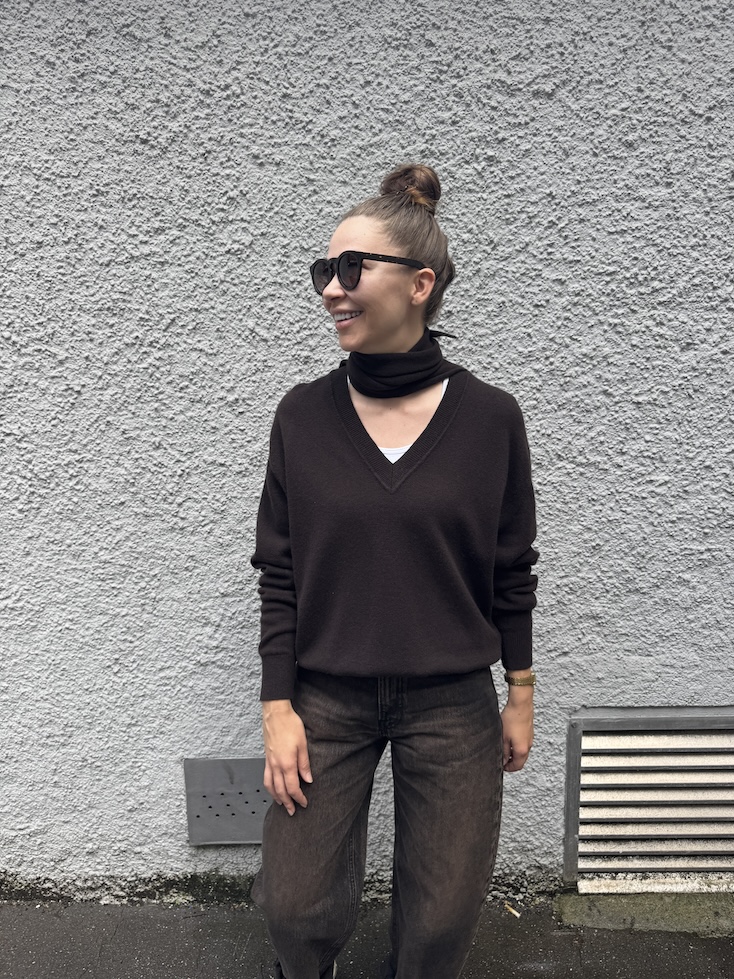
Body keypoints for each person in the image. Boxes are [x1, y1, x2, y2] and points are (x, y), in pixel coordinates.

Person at [250, 163, 538, 979]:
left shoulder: (490, 418)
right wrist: (277, 705)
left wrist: (519, 692)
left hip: (452, 702)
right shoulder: (302, 415)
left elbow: (512, 566)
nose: (331, 289)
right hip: (326, 696)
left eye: (352, 268)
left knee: (441, 923)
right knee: (294, 907)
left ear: (419, 284)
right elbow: (280, 570)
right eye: (324, 269)